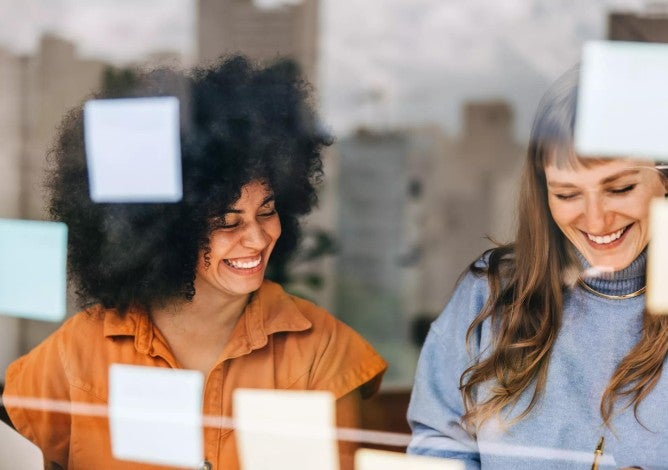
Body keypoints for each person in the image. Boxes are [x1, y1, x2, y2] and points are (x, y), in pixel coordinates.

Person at [3, 56, 387, 470]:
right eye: (227, 221)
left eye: (267, 210)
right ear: (167, 230)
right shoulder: (80, 350)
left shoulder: (321, 350)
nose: (257, 238)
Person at [407, 68, 668, 469]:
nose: (597, 221)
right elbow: (441, 441)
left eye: (620, 189)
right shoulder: (492, 293)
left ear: (664, 179)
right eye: (567, 194)